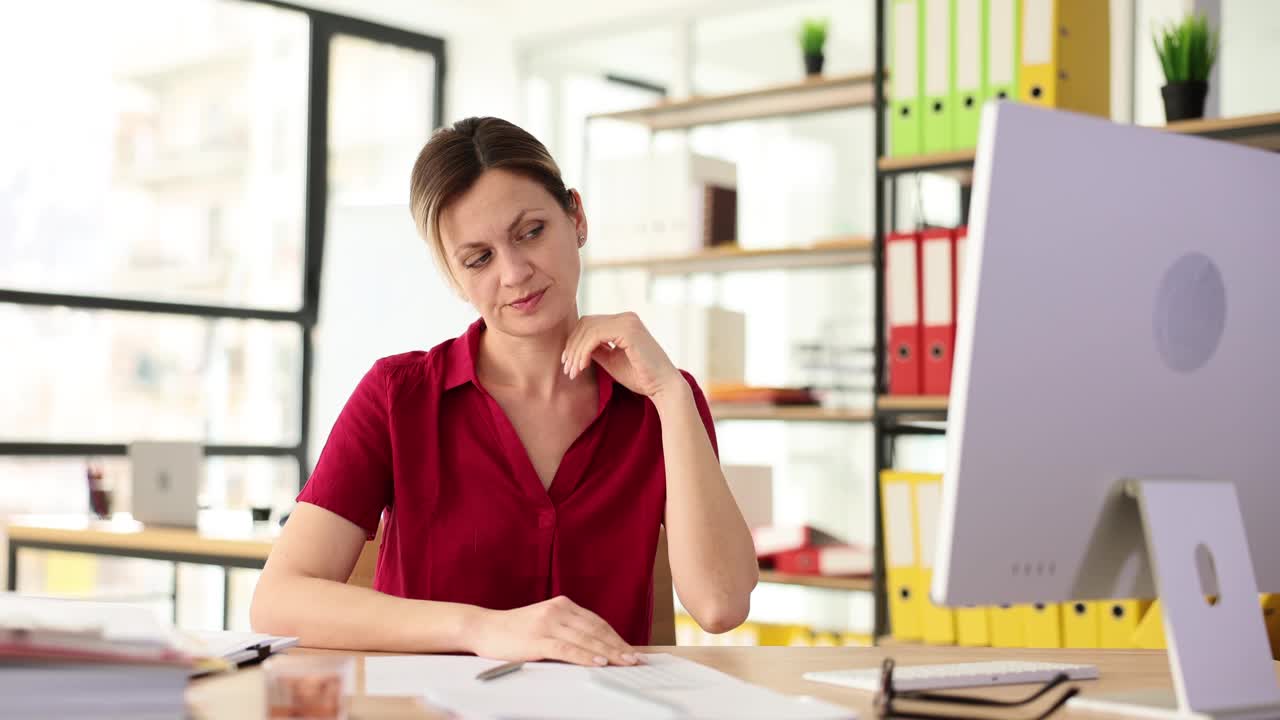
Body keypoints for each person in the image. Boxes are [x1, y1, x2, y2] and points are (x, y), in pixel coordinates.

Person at [250, 117, 759, 666]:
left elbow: (720, 604)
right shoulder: (398, 397)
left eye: (531, 231)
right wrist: (479, 628)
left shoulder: (662, 402)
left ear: (577, 217)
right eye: (479, 258)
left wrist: (671, 395)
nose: (515, 272)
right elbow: (279, 599)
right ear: (453, 274)